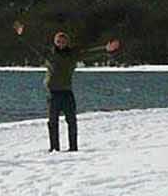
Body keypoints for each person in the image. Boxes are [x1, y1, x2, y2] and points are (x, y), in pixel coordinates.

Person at [14, 22, 120, 152]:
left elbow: (89, 53)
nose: (61, 44)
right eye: (58, 41)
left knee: (71, 121)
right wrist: (23, 34)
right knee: (53, 122)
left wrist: (105, 49)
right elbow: (32, 44)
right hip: (52, 93)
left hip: (66, 92)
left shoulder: (73, 54)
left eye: (63, 42)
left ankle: (73, 148)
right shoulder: (48, 53)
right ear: (55, 42)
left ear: (67, 42)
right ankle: (54, 148)